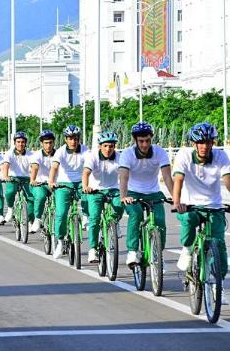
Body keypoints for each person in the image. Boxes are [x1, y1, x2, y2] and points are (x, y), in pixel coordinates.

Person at [173, 123, 230, 304]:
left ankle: (216, 285)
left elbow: (227, 179)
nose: (205, 146)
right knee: (188, 219)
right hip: (190, 205)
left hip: (214, 206)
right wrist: (177, 202)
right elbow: (179, 180)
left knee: (219, 245)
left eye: (208, 142)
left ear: (213, 143)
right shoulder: (183, 156)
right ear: (193, 143)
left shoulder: (220, 156)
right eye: (201, 142)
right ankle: (188, 249)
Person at [119, 122, 173, 266]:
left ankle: (158, 255)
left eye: (148, 140)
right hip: (132, 192)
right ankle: (132, 251)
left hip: (154, 192)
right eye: (141, 141)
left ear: (151, 139)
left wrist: (176, 197)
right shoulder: (127, 154)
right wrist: (123, 196)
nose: (144, 145)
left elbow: (167, 176)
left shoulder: (159, 152)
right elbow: (123, 177)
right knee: (136, 215)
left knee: (160, 221)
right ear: (135, 140)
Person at [82, 131, 125, 263]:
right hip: (95, 190)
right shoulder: (92, 156)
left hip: (114, 189)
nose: (108, 149)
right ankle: (93, 249)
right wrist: (85, 186)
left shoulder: (120, 157)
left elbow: (125, 174)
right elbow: (86, 173)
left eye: (111, 146)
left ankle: (114, 222)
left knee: (120, 205)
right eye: (105, 146)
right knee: (94, 218)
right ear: (100, 146)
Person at [49, 124, 90, 259]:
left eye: (76, 138)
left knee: (88, 199)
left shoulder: (85, 150)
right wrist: (51, 182)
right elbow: (54, 168)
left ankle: (85, 217)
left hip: (81, 182)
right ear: (66, 139)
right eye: (70, 138)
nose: (73, 141)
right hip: (63, 184)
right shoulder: (60, 151)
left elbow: (91, 167)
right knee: (61, 214)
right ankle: (60, 242)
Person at [2, 131, 35, 229]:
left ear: (25, 143)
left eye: (23, 142)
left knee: (31, 199)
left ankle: (30, 220)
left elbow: (34, 167)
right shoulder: (9, 154)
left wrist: (34, 179)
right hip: (13, 178)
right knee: (10, 192)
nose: (21, 144)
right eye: (18, 142)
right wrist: (5, 176)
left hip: (26, 178)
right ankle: (10, 209)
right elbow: (5, 166)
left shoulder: (30, 154)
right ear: (14, 143)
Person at [31, 130, 56, 231]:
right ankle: (37, 219)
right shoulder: (37, 155)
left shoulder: (58, 154)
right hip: (40, 183)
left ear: (54, 142)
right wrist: (33, 179)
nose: (48, 145)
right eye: (46, 143)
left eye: (50, 142)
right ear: (41, 143)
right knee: (40, 197)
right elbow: (35, 167)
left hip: (55, 183)